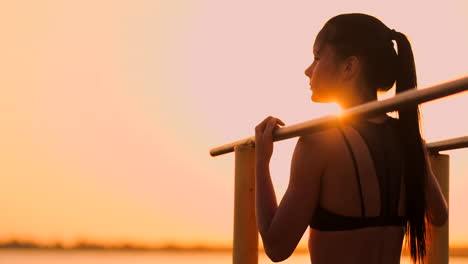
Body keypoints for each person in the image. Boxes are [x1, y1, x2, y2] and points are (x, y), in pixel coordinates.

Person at [254, 13, 448, 264]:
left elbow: (276, 247)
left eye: (317, 58)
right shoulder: (407, 138)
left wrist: (261, 161)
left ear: (349, 67)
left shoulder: (319, 142)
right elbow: (438, 215)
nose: (308, 70)